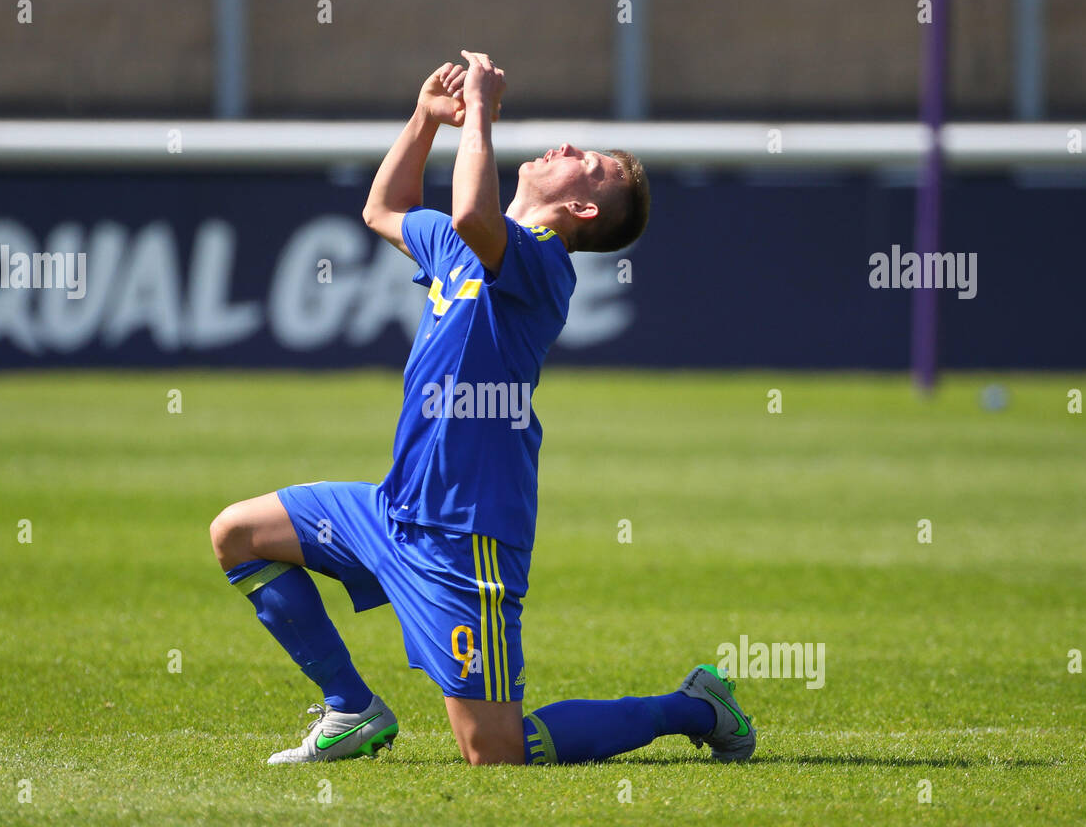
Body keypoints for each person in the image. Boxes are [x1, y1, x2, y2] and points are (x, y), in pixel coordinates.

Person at [210, 51, 755, 766]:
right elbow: (384, 209)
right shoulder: (463, 247)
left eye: (587, 163)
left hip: (466, 538)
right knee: (237, 534)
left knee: (494, 751)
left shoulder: (542, 265)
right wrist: (425, 118)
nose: (565, 148)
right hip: (394, 507)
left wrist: (484, 115)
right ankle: (351, 709)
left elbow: (471, 211)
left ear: (582, 210)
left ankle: (694, 706)